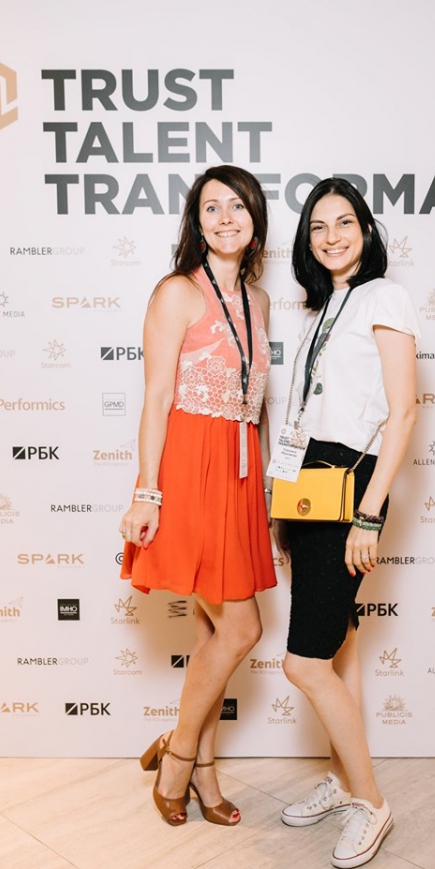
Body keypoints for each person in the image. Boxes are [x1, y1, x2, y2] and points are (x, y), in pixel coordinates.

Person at [119, 165, 276, 827]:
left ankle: (202, 771)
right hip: (189, 469)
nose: (225, 218)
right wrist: (147, 493)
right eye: (211, 208)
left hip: (239, 475)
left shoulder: (259, 301)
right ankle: (181, 753)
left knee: (216, 630)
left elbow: (255, 406)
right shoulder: (177, 292)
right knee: (243, 627)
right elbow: (156, 398)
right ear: (197, 222)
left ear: (255, 218)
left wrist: (265, 493)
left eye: (236, 205)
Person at [272, 177, 420, 868]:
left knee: (303, 662)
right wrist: (283, 505)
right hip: (307, 484)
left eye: (344, 223)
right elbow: (305, 414)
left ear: (365, 229)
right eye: (318, 227)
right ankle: (342, 778)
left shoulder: (384, 296)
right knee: (341, 647)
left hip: (351, 482)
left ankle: (371, 802)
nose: (331, 237)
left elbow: (403, 412)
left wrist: (369, 514)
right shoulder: (320, 308)